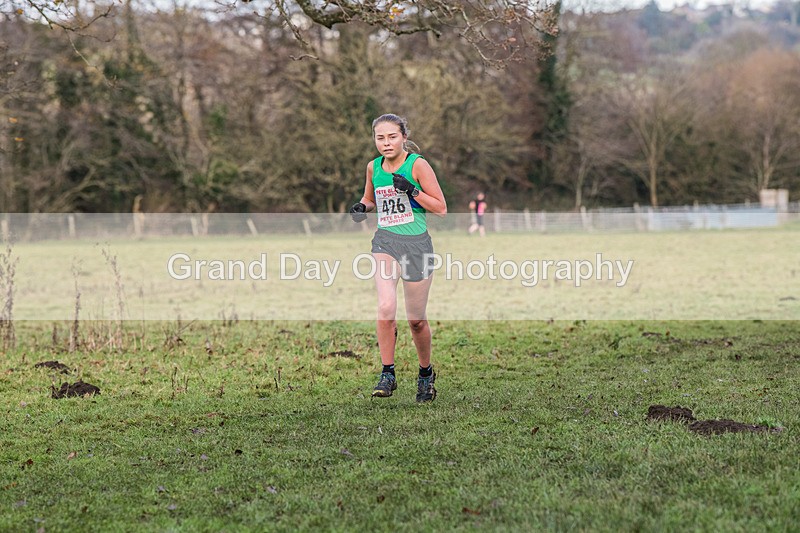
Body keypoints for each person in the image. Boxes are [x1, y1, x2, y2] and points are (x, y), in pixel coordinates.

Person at [349, 113, 447, 403]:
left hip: (417, 245)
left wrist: (412, 190)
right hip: (386, 242)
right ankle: (387, 372)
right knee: (386, 306)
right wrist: (361, 207)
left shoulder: (418, 164)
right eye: (380, 137)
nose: (386, 142)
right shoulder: (373, 167)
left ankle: (426, 373)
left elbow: (441, 208)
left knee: (416, 320)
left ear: (404, 136)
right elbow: (370, 198)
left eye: (392, 136)